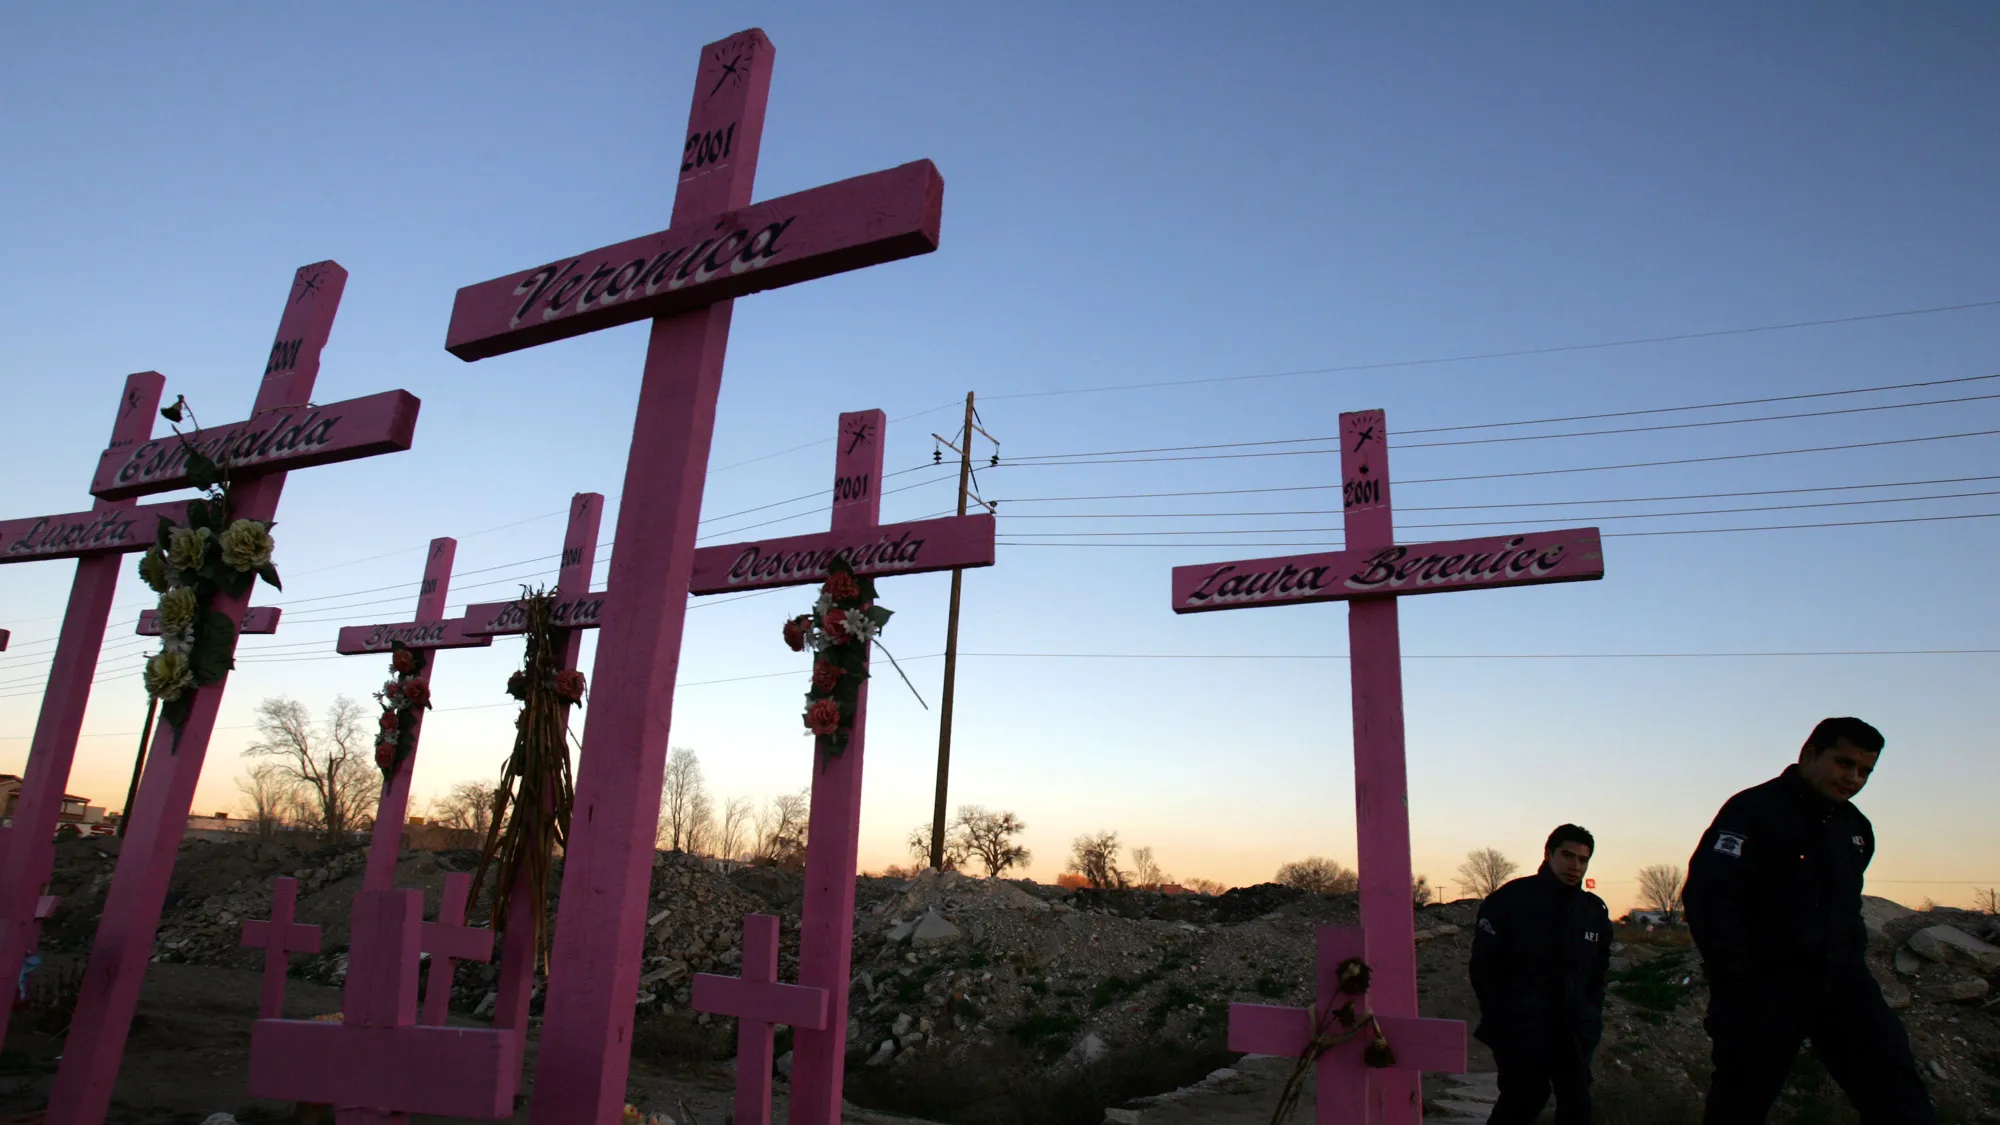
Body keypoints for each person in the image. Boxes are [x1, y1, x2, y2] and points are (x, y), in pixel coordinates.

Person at [1684, 716, 1936, 1123]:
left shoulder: (1855, 828)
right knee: (1740, 1102)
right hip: (1765, 989)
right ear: (1809, 754)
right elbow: (1708, 900)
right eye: (1844, 763)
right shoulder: (1752, 810)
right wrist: (1738, 982)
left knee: (1898, 1094)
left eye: (1865, 771)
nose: (1853, 778)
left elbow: (1846, 905)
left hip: (1843, 984)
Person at [1469, 824, 1613, 1125]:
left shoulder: (1593, 912)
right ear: (1549, 854)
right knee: (1523, 1100)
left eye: (1583, 859)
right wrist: (1501, 1021)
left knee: (1577, 1106)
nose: (1575, 866)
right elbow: (1484, 968)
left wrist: (1590, 1018)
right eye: (1567, 855)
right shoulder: (1511, 900)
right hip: (1522, 1029)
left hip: (1574, 1031)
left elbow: (1597, 975)